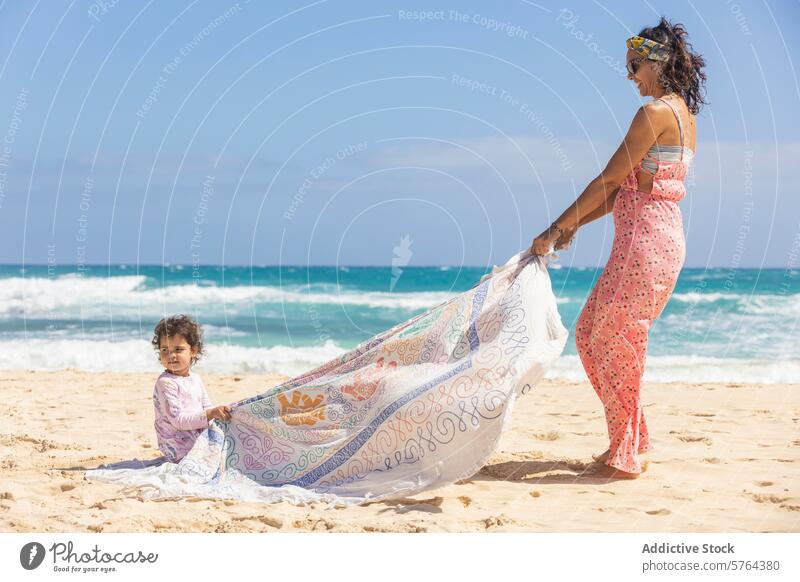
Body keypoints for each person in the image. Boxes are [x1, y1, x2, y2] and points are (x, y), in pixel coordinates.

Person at [530, 17, 707, 479]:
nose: (630, 76)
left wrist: (554, 227)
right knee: (605, 336)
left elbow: (610, 178)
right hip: (661, 240)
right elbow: (626, 192)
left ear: (657, 62)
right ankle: (632, 439)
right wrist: (573, 226)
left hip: (643, 246)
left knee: (603, 336)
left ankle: (624, 453)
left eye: (634, 65)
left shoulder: (654, 115)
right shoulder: (684, 116)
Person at [151, 314, 232, 463]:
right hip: (177, 447)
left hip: (196, 438)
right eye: (164, 350)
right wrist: (210, 413)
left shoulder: (195, 379)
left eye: (178, 349)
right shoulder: (166, 383)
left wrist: (218, 413)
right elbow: (178, 421)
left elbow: (207, 406)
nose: (171, 355)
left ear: (193, 351)